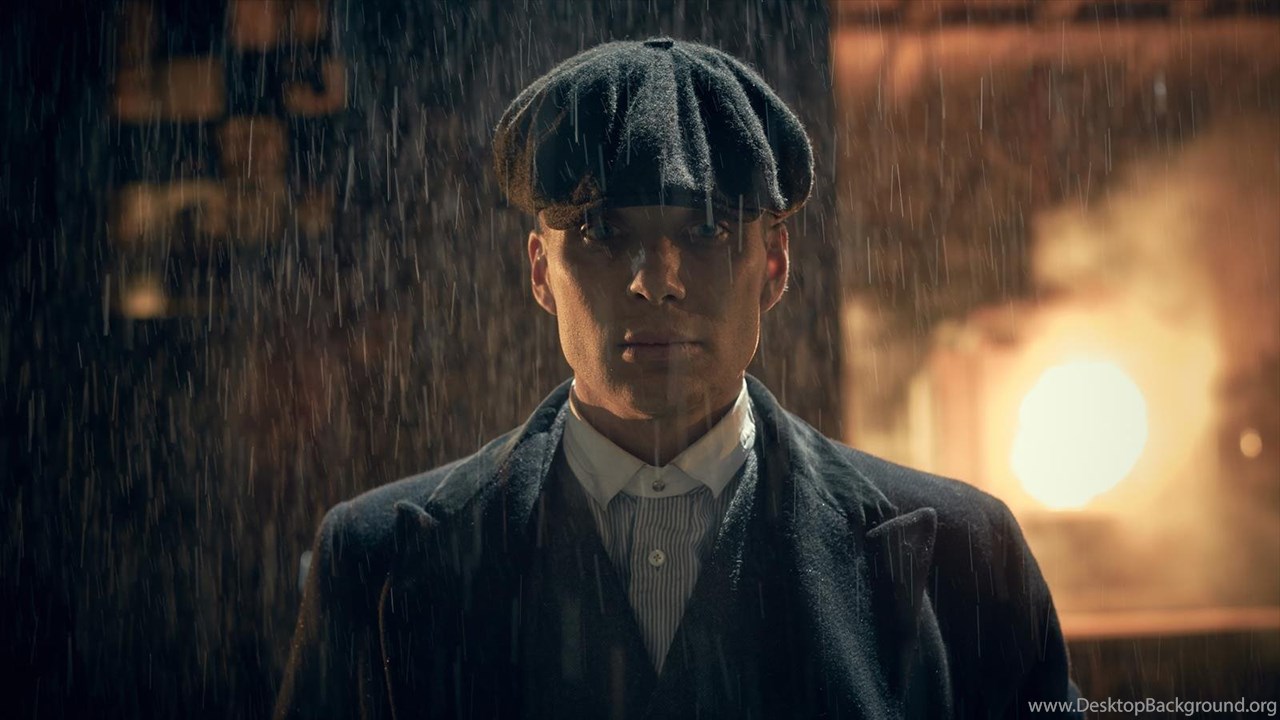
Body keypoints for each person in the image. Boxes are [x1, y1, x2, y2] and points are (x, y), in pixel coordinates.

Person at [275, 37, 1080, 719]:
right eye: (601, 230)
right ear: (541, 272)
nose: (654, 281)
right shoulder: (376, 563)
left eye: (706, 230)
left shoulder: (965, 559)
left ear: (774, 264)